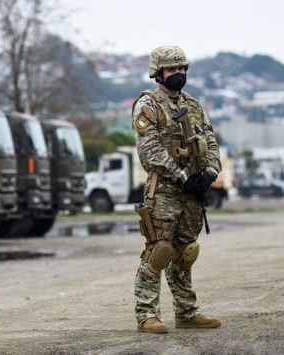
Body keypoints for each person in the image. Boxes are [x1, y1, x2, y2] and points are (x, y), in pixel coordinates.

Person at [132, 45, 222, 334]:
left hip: (192, 193)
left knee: (186, 252)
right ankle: (147, 315)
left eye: (182, 68)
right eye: (172, 69)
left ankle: (186, 312)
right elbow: (150, 151)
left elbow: (210, 141)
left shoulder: (194, 105)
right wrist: (182, 176)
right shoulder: (148, 106)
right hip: (164, 192)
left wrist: (209, 173)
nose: (179, 73)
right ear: (158, 73)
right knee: (158, 252)